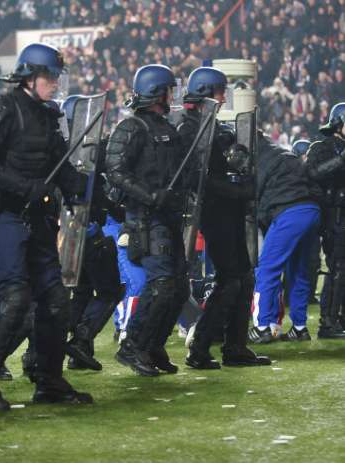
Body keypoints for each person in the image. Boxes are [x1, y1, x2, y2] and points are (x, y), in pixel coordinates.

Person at [0, 43, 92, 410]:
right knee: (16, 296)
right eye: (49, 76)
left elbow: (62, 167)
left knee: (54, 300)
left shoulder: (51, 116)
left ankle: (49, 380)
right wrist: (26, 187)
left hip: (38, 217)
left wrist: (89, 191)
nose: (55, 83)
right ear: (29, 77)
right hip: (2, 214)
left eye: (56, 76)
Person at [180, 66, 270, 369]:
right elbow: (198, 178)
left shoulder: (209, 125)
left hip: (227, 211)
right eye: (219, 91)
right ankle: (201, 348)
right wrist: (236, 190)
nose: (223, 97)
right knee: (230, 280)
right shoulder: (189, 128)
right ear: (206, 91)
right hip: (213, 211)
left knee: (244, 278)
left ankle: (235, 347)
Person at [106, 64, 189, 376]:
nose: (172, 95)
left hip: (168, 217)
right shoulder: (131, 128)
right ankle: (133, 346)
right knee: (162, 285)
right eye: (169, 89)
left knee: (178, 287)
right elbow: (115, 170)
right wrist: (151, 196)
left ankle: (154, 345)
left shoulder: (166, 128)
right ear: (158, 92)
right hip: (145, 218)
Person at [61, 95, 124, 371]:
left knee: (83, 290)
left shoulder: (60, 148)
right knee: (110, 290)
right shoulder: (88, 152)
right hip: (89, 229)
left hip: (67, 231)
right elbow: (99, 193)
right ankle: (81, 339)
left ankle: (73, 350)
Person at [248, 133, 320, 342]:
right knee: (299, 271)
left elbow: (258, 201)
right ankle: (299, 328)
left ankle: (262, 327)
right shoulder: (284, 154)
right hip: (312, 211)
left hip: (289, 213)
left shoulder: (258, 159)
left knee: (267, 269)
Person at [306, 102, 345, 339]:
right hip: (334, 217)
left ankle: (339, 319)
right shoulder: (321, 146)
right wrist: (341, 159)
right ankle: (328, 323)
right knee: (337, 268)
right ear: (339, 122)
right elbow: (314, 173)